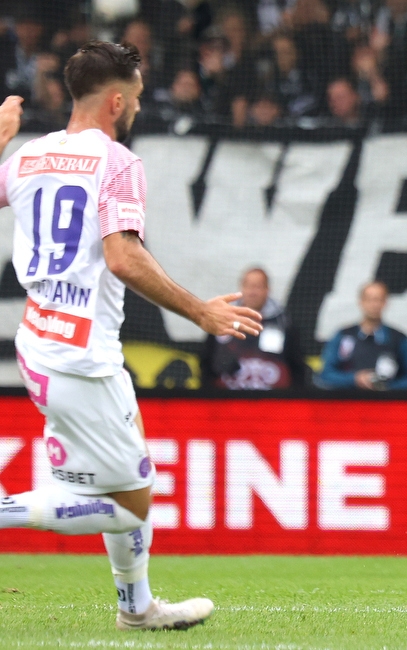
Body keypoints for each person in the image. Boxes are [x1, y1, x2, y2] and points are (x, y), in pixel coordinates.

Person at [0, 42, 263, 631]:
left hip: (42, 343)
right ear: (117, 101)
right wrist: (200, 312)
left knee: (119, 476)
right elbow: (122, 258)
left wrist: (0, 136)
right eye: (139, 98)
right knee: (128, 507)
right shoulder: (117, 162)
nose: (140, 108)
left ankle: (137, 608)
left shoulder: (29, 156)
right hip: (80, 358)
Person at [201, 267, 307, 389]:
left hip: (272, 402)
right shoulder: (223, 319)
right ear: (241, 288)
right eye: (249, 286)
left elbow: (297, 367)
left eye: (258, 287)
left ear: (267, 290)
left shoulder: (283, 322)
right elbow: (206, 362)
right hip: (228, 400)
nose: (252, 292)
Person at [315, 281, 407, 390]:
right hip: (350, 403)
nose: (374, 305)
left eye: (378, 299)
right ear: (361, 302)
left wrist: (385, 386)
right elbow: (325, 376)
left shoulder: (398, 339)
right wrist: (355, 379)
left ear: (385, 302)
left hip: (384, 405)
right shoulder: (343, 336)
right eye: (369, 299)